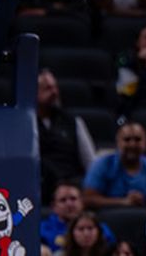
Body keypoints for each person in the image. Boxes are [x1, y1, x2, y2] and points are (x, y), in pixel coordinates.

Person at [36, 69, 96, 201]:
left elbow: (91, 163)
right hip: (40, 188)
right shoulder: (25, 126)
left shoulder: (73, 122)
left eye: (55, 87)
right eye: (47, 88)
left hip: (73, 185)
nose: (54, 92)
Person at [83, 121, 146, 209]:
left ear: (145, 143)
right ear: (118, 142)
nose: (132, 144)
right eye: (127, 140)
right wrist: (123, 202)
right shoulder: (101, 165)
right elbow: (88, 199)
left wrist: (144, 201)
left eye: (137, 139)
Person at [40, 182, 115, 254]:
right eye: (63, 200)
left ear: (82, 202)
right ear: (53, 206)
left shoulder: (100, 228)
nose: (69, 204)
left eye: (73, 199)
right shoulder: (41, 229)